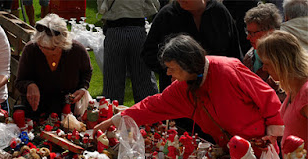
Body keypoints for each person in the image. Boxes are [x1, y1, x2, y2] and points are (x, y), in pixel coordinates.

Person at [94, 34, 284, 152]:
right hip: (228, 149)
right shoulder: (182, 88)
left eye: (172, 68)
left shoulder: (227, 69)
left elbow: (266, 95)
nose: (168, 73)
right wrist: (115, 120)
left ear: (188, 63)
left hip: (260, 144)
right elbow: (152, 106)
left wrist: (273, 133)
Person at [141, 0, 242, 92]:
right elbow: (148, 53)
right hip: (179, 91)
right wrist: (172, 70)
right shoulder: (167, 15)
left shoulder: (219, 12)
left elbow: (234, 52)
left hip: (217, 88)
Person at [15, 14, 92, 120]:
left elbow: (87, 71)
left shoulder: (77, 51)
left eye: (52, 49)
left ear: (63, 43)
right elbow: (20, 81)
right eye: (42, 47)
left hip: (69, 113)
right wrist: (30, 85)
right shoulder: (31, 50)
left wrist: (83, 87)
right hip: (36, 111)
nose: (46, 52)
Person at [97, 0, 160, 104]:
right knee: (144, 78)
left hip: (114, 31)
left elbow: (102, 7)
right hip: (137, 30)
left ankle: (111, 115)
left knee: (113, 81)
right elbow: (155, 5)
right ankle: (149, 116)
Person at [257, 30, 308, 152]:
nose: (264, 68)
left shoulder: (305, 93)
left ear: (281, 63)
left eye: (267, 64)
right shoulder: (293, 88)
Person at [243, 3, 286, 102]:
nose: (248, 37)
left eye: (253, 33)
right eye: (247, 32)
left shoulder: (284, 59)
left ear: (270, 32)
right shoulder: (249, 57)